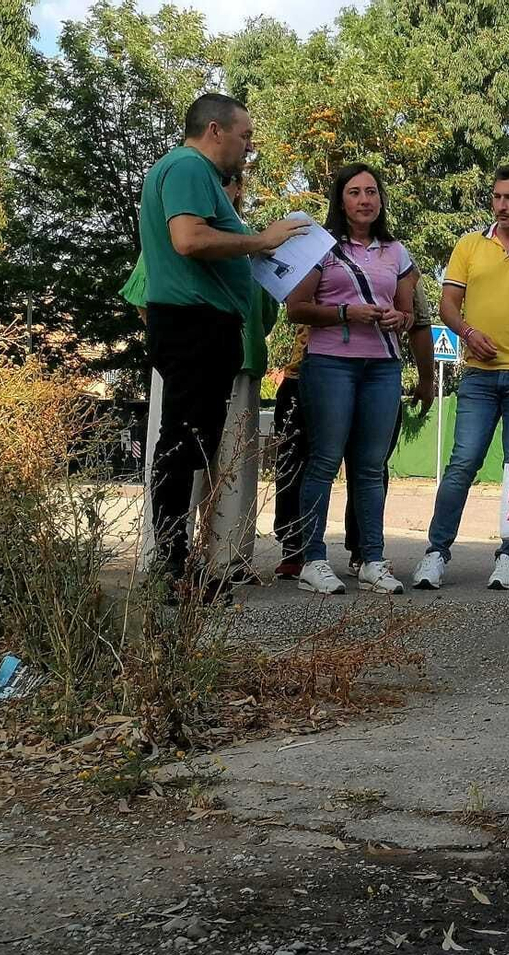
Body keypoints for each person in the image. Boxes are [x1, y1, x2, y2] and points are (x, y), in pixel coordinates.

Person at [138, 92, 307, 594]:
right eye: (245, 135)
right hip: (193, 325)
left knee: (194, 445)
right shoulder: (189, 167)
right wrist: (262, 240)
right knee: (184, 444)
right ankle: (172, 570)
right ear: (216, 130)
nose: (248, 147)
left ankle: (181, 566)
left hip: (205, 326)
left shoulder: (194, 174)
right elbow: (188, 239)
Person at [124, 169, 280, 587]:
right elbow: (145, 300)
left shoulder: (250, 244)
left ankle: (227, 562)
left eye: (233, 184)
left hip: (240, 361)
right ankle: (167, 557)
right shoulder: (174, 234)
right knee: (179, 453)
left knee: (233, 466)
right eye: (219, 183)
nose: (228, 191)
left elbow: (265, 312)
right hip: (183, 359)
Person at [411, 163, 509, 592]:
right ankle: (436, 553)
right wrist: (468, 332)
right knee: (462, 464)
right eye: (496, 197)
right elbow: (448, 305)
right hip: (477, 375)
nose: (500, 205)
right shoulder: (469, 245)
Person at [284, 162, 418, 595]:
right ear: (341, 200)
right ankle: (313, 558)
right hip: (330, 364)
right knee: (323, 460)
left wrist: (400, 317)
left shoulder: (396, 252)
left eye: (372, 192)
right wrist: (346, 312)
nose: (365, 200)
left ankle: (372, 559)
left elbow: (409, 312)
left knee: (371, 466)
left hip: (382, 365)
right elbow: (296, 308)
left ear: (381, 200)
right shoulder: (322, 248)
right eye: (355, 192)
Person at [270, 286, 435, 580]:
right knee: (300, 463)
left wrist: (426, 378)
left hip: (376, 373)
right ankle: (297, 548)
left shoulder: (397, 262)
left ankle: (365, 552)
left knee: (369, 465)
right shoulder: (318, 253)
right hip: (309, 372)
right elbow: (293, 304)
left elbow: (418, 322)